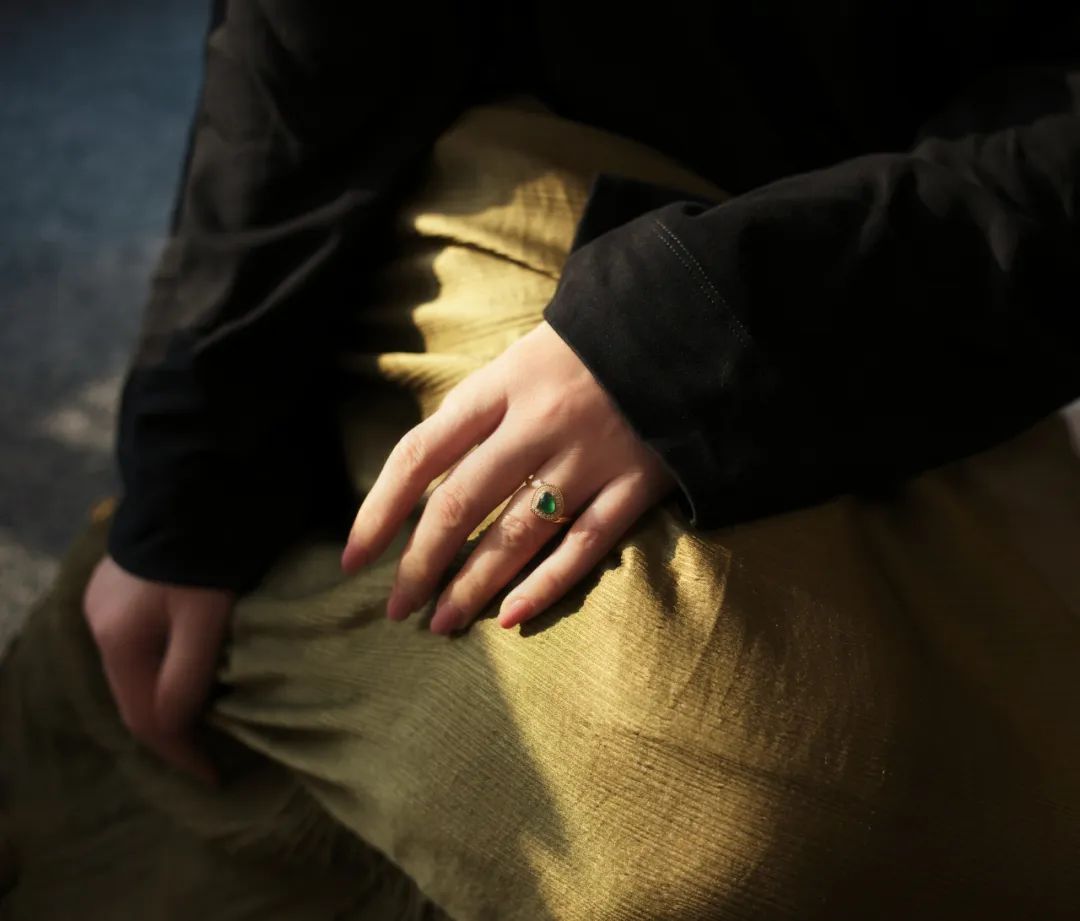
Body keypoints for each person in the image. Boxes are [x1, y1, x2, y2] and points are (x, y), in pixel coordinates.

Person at [84, 0, 1080, 792]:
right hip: (475, 184)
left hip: (921, 268)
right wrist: (189, 466)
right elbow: (300, 59)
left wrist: (686, 327)